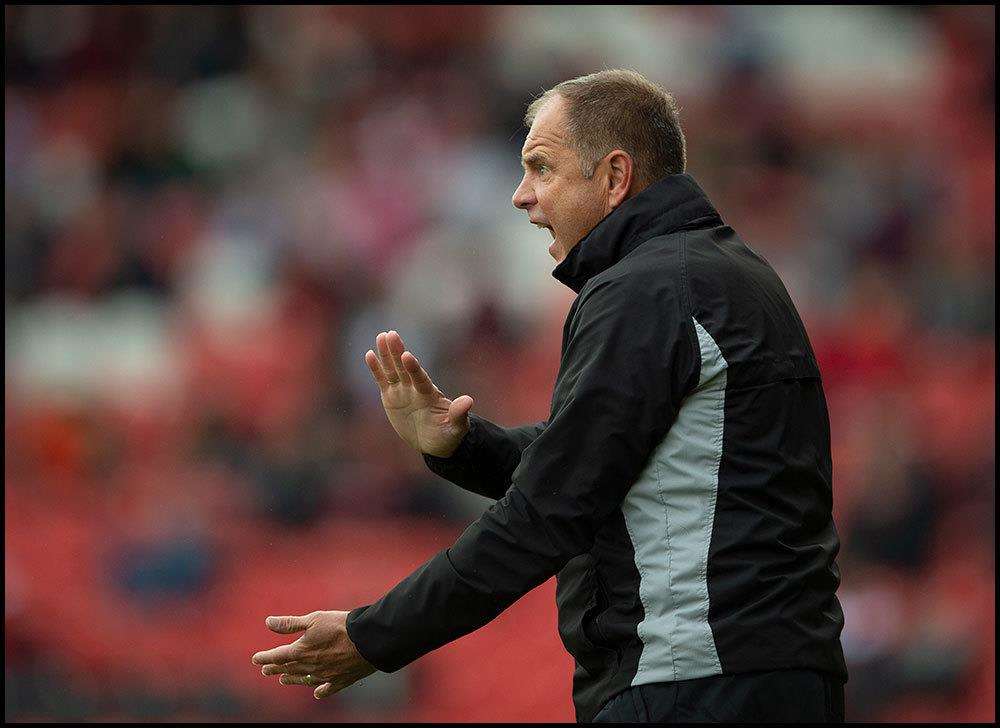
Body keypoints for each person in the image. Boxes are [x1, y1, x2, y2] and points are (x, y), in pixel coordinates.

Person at [251, 69, 848, 723]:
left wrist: (376, 635)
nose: (521, 197)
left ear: (615, 178)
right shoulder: (731, 275)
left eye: (542, 168)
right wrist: (463, 445)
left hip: (691, 682)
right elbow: (621, 461)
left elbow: (554, 506)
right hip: (767, 676)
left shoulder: (645, 289)